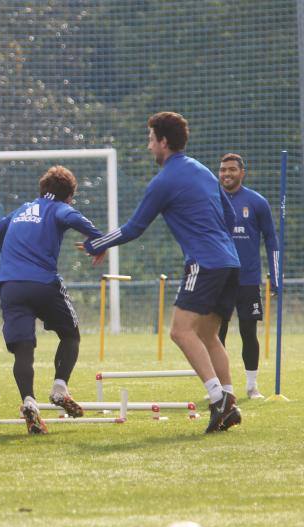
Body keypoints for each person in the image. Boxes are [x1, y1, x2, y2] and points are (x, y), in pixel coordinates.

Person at [83, 112, 243, 433]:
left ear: (163, 142)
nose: (148, 146)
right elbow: (228, 214)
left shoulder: (164, 181)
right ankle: (228, 402)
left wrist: (96, 243)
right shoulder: (201, 170)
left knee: (180, 331)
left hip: (205, 262)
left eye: (150, 139)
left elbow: (134, 228)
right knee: (208, 335)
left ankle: (217, 399)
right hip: (230, 261)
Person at [0, 166, 106, 434]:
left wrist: (12, 255)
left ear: (42, 190)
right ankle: (59, 388)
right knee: (70, 334)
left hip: (10, 285)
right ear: (68, 196)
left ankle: (29, 402)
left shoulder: (21, 211)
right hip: (42, 283)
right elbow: (73, 218)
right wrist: (98, 239)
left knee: (23, 348)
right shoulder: (59, 208)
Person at [217, 152, 279, 399]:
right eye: (223, 170)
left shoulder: (256, 202)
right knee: (215, 334)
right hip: (219, 279)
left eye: (231, 169)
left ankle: (252, 386)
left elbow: (272, 239)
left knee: (248, 332)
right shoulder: (211, 200)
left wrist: (276, 276)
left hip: (248, 279)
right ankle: (220, 387)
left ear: (242, 173)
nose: (227, 174)